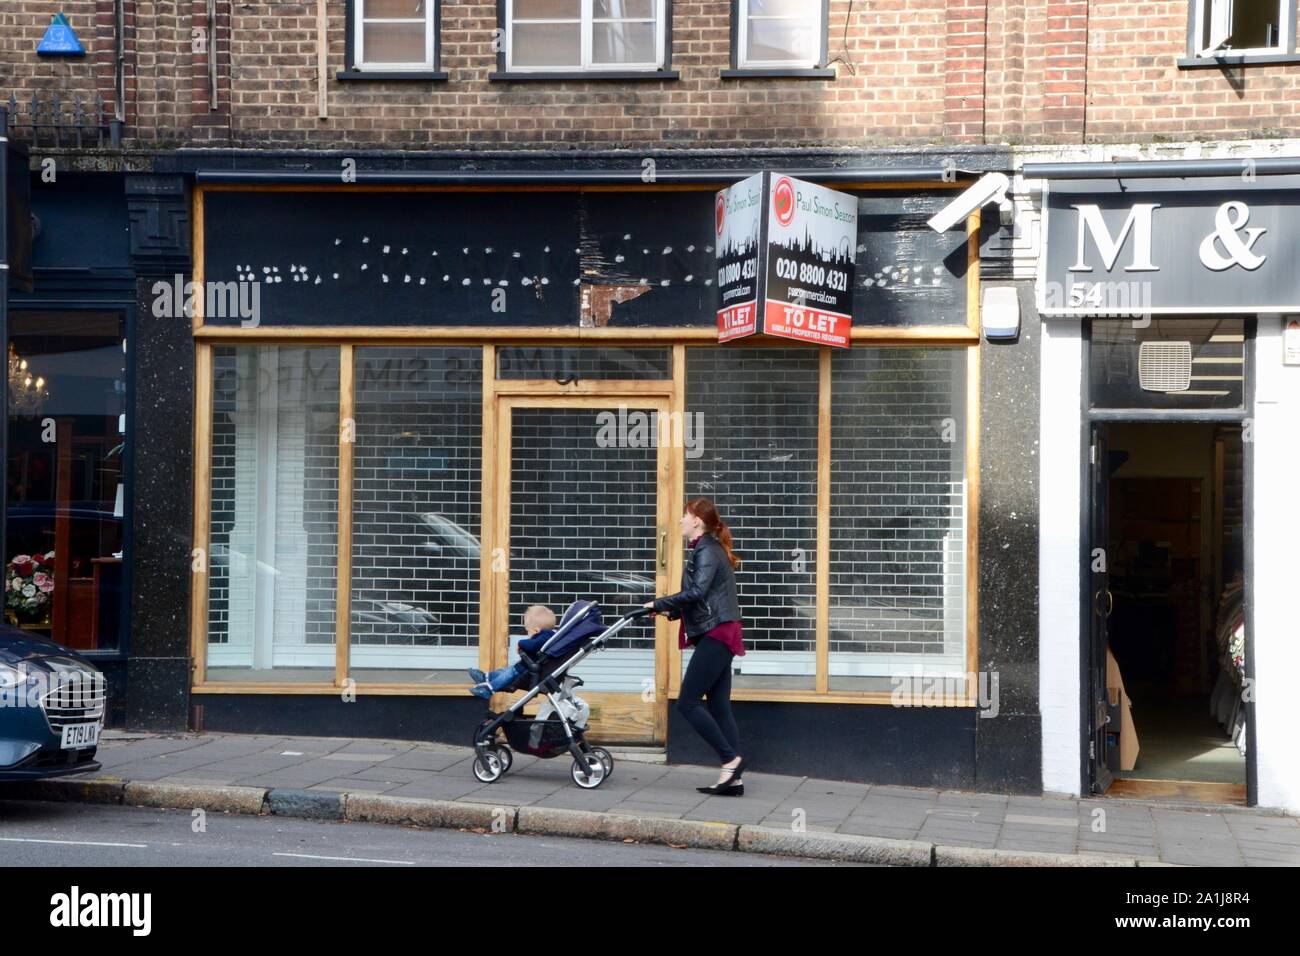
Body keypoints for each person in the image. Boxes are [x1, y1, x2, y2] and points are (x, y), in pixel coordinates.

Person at [645, 499, 748, 796]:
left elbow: (697, 591)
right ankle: (734, 780)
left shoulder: (706, 550)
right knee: (718, 705)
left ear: (697, 523)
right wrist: (668, 611)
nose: (679, 520)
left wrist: (659, 602)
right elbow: (702, 597)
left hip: (717, 633)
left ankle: (731, 760)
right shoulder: (708, 549)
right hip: (720, 630)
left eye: (685, 516)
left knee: (687, 702)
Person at [467, 604, 557, 699]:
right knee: (504, 671)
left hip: (526, 669)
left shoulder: (544, 637)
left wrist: (520, 643)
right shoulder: (548, 636)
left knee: (506, 676)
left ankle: (488, 689)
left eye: (528, 631)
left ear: (536, 630)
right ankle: (485, 677)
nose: (528, 635)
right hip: (526, 666)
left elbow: (532, 645)